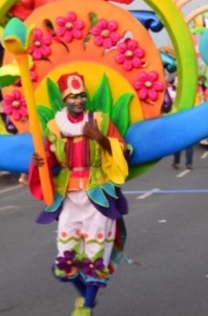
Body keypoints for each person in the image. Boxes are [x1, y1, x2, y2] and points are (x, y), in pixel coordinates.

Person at [29, 72, 130, 316]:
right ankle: (87, 295)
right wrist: (39, 162)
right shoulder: (54, 127)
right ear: (64, 98)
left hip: (98, 195)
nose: (79, 100)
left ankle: (86, 305)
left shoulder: (100, 120)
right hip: (69, 197)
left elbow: (124, 150)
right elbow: (48, 159)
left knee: (96, 256)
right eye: (73, 96)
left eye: (82, 95)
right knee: (64, 260)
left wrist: (100, 138)